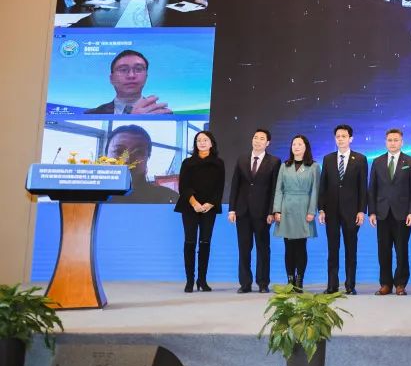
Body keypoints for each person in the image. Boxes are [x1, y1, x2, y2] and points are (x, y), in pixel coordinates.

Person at [228, 129, 280, 294]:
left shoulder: (274, 161)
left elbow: (275, 189)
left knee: (263, 248)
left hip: (263, 213)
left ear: (268, 143)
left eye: (262, 138)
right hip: (242, 211)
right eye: (255, 137)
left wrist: (272, 211)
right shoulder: (242, 159)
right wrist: (232, 209)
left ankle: (263, 283)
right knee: (244, 248)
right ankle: (245, 283)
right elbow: (235, 185)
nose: (258, 141)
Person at [369, 128, 411, 295]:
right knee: (383, 250)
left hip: (403, 213)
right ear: (386, 142)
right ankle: (385, 283)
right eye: (390, 140)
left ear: (402, 142)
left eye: (396, 140)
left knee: (401, 250)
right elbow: (372, 188)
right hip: (382, 213)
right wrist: (372, 212)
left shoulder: (410, 161)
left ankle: (400, 284)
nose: (393, 143)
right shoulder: (377, 161)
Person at [318, 124, 367, 295]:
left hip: (352, 212)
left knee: (350, 249)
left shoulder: (360, 159)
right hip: (331, 211)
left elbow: (363, 188)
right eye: (338, 136)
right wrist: (321, 209)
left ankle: (350, 285)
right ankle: (332, 285)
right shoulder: (328, 159)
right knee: (333, 249)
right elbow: (322, 186)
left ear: (350, 138)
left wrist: (361, 211)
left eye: (344, 136)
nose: (340, 139)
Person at [173, 131, 225, 293]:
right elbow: (183, 187)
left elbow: (220, 187)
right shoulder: (188, 163)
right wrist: (195, 203)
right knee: (189, 242)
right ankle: (189, 280)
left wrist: (210, 203)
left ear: (211, 143)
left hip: (209, 207)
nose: (202, 142)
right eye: (198, 140)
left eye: (205, 140)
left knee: (205, 242)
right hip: (190, 206)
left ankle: (202, 280)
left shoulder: (218, 163)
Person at [272, 135, 319, 292]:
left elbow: (315, 190)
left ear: (306, 147)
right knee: (288, 247)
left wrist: (312, 211)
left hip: (304, 209)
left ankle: (300, 280)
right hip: (286, 208)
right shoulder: (284, 166)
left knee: (301, 246)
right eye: (294, 144)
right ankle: (290, 280)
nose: (296, 147)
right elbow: (279, 189)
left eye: (300, 144)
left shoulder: (313, 166)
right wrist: (277, 210)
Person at [104, 124, 179, 204]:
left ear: (147, 158)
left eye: (138, 152)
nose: (127, 160)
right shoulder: (95, 196)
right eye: (118, 151)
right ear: (105, 156)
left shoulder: (168, 198)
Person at [83, 50, 173, 115]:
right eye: (123, 70)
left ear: (146, 77)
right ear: (111, 79)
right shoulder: (92, 114)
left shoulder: (162, 113)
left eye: (138, 69)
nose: (131, 75)